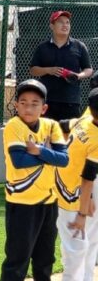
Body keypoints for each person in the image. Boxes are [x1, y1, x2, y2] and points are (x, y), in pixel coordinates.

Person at [0, 79, 69, 281]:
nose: (28, 108)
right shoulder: (14, 125)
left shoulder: (51, 125)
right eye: (23, 102)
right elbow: (19, 160)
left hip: (48, 200)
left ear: (44, 107)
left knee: (45, 258)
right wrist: (49, 155)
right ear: (16, 105)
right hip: (21, 202)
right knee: (17, 261)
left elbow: (64, 160)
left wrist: (38, 150)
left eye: (34, 103)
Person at [54, 88, 98, 281]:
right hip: (69, 193)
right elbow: (88, 178)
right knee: (75, 248)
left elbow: (62, 125)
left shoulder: (85, 120)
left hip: (62, 182)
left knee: (80, 243)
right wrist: (82, 211)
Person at [30, 10, 93, 122]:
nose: (65, 25)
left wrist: (78, 75)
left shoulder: (79, 46)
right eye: (60, 22)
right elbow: (33, 70)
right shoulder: (42, 47)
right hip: (47, 100)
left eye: (67, 22)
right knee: (47, 136)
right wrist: (49, 70)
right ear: (52, 26)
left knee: (69, 136)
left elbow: (88, 70)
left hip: (71, 101)